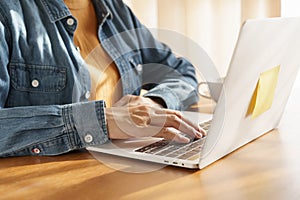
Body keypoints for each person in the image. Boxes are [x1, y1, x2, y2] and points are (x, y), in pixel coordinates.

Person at [0, 0, 205, 157]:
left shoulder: (115, 9)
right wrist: (102, 122)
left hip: (122, 166)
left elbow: (180, 72)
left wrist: (154, 103)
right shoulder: (7, 13)